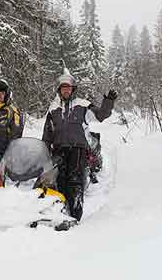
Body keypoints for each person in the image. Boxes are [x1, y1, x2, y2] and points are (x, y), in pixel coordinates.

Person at [42, 70, 117, 222]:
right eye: (63, 88)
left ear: (73, 89)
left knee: (74, 179)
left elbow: (101, 115)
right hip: (58, 149)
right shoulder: (53, 109)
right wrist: (44, 151)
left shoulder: (82, 105)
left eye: (68, 88)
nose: (66, 90)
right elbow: (47, 133)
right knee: (59, 180)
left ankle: (76, 213)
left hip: (78, 148)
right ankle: (61, 212)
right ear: (59, 90)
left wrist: (108, 102)